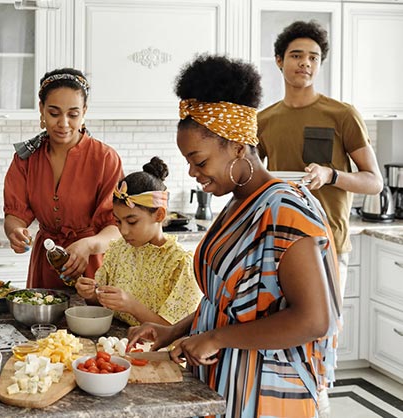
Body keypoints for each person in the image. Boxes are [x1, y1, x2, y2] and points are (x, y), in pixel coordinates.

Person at [128, 55, 341, 418]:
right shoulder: (237, 202)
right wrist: (173, 331)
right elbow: (226, 301)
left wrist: (216, 338)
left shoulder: (284, 210)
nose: (193, 172)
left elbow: (314, 319)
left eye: (199, 160)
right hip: (225, 377)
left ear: (239, 147)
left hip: (268, 391)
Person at [257, 20, 383, 298]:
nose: (305, 63)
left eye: (313, 57)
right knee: (278, 334)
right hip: (279, 241)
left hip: (327, 242)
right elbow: (252, 178)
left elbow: (375, 182)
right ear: (279, 61)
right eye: (296, 55)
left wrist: (331, 175)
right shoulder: (263, 120)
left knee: (323, 334)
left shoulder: (342, 115)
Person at [4, 68, 123, 289]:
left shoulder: (105, 158)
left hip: (93, 266)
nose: (63, 123)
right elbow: (15, 214)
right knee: (42, 323)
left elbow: (117, 227)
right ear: (41, 110)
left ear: (84, 112)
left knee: (90, 321)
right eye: (54, 113)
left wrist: (88, 245)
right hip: (45, 263)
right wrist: (15, 232)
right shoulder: (26, 159)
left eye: (73, 114)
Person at [75, 156, 202, 327]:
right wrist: (90, 294)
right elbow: (101, 304)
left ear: (159, 215)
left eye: (132, 221)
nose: (123, 231)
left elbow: (173, 330)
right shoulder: (119, 249)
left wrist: (131, 306)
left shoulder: (180, 264)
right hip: (118, 343)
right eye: (118, 221)